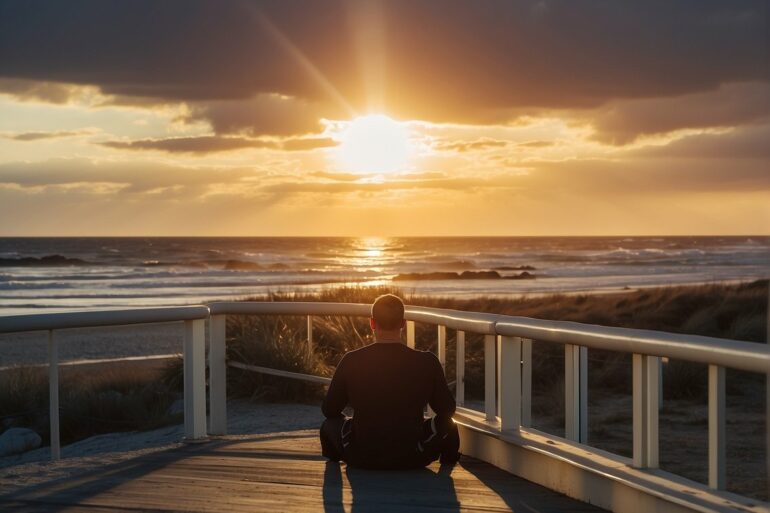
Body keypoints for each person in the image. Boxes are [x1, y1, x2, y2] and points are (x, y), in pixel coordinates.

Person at [320, 294, 460, 469]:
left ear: (372, 323)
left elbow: (329, 410)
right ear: (403, 323)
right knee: (449, 424)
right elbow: (447, 410)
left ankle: (334, 462)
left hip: (361, 457)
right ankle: (449, 463)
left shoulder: (352, 360)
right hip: (413, 457)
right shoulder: (427, 361)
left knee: (329, 425)